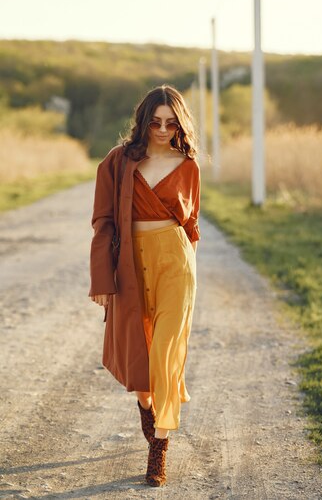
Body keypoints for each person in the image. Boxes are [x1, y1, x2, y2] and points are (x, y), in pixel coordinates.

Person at [88, 84, 201, 487]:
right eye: (155, 122)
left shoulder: (188, 165)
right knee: (142, 362)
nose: (162, 129)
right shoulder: (117, 163)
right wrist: (102, 277)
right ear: (142, 121)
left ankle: (159, 449)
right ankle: (150, 418)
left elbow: (191, 223)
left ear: (180, 124)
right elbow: (103, 222)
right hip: (131, 264)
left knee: (167, 355)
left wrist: (187, 254)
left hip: (175, 263)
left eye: (171, 123)